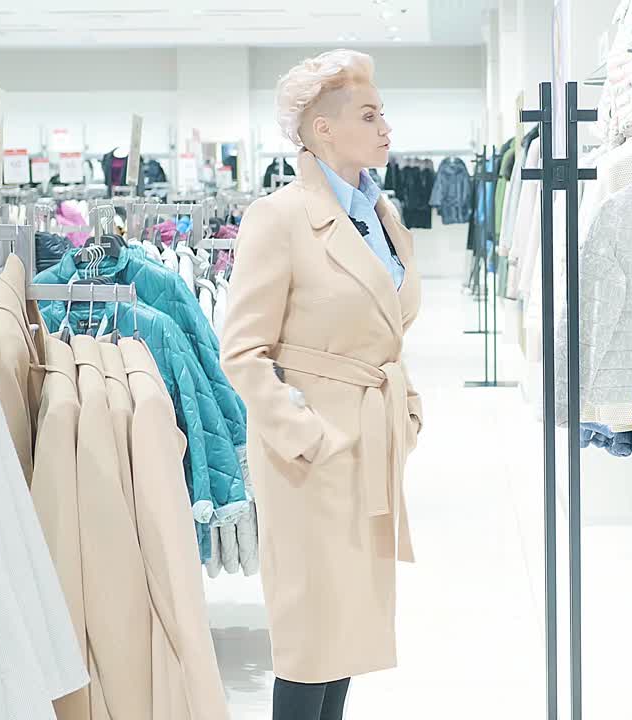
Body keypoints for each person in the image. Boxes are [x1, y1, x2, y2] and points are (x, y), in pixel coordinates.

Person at [219, 49, 424, 720]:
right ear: (321, 129)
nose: (386, 128)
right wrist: (307, 437)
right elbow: (243, 351)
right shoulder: (278, 218)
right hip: (311, 460)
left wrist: (408, 409)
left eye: (383, 113)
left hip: (371, 445)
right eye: (369, 115)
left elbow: (383, 327)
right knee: (311, 643)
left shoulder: (381, 215)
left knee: (347, 639)